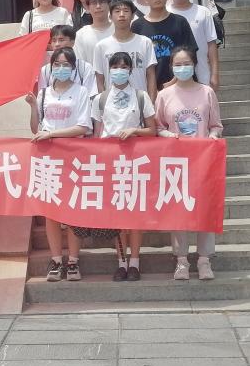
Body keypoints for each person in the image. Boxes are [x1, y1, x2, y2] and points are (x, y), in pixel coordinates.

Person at [154, 46, 224, 281]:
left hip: (203, 161)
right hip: (176, 162)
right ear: (171, 67)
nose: (182, 68)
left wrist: (212, 136)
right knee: (178, 210)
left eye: (186, 64)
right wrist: (167, 135)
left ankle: (204, 259)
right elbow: (158, 126)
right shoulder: (164, 95)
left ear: (194, 65)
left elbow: (216, 124)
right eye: (178, 64)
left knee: (205, 208)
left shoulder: (207, 92)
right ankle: (181, 260)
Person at [25, 46, 92, 282]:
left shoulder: (81, 92)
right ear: (50, 67)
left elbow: (83, 127)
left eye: (66, 65)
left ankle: (73, 261)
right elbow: (36, 128)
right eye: (57, 64)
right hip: (48, 158)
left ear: (73, 68)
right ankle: (55, 260)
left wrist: (53, 135)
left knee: (73, 211)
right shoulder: (44, 93)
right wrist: (33, 106)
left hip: (73, 157)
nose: (61, 68)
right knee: (51, 212)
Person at [91, 52, 158, 282]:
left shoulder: (141, 96)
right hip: (110, 163)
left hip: (135, 162)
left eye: (123, 67)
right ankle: (121, 261)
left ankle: (135, 262)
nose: (119, 70)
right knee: (117, 214)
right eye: (115, 67)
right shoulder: (100, 99)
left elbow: (152, 130)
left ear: (130, 70)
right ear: (109, 70)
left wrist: (134, 131)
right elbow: (96, 134)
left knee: (135, 213)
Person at [132, 0, 197, 90]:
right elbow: (136, 61)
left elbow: (190, 55)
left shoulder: (180, 22)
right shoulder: (137, 26)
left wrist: (173, 82)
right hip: (148, 89)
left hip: (180, 85)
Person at [93, 0, 158, 100]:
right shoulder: (101, 46)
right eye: (117, 11)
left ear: (132, 16)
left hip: (140, 102)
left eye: (126, 11)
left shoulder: (145, 42)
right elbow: (100, 80)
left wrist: (151, 103)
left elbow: (151, 76)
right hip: (112, 104)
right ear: (110, 16)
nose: (122, 15)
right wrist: (103, 103)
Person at [167, 0, 220, 89]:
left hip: (202, 72)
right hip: (173, 74)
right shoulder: (166, 13)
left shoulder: (204, 12)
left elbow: (211, 44)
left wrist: (215, 74)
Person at [36, 25, 96, 95]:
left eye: (61, 40)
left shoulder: (85, 68)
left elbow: (89, 95)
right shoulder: (45, 70)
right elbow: (42, 96)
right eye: (54, 40)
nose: (57, 44)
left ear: (72, 42)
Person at [73, 0, 113, 64]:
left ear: (109, 5)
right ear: (88, 7)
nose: (98, 6)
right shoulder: (81, 35)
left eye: (102, 2)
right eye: (94, 3)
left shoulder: (119, 29)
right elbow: (80, 64)